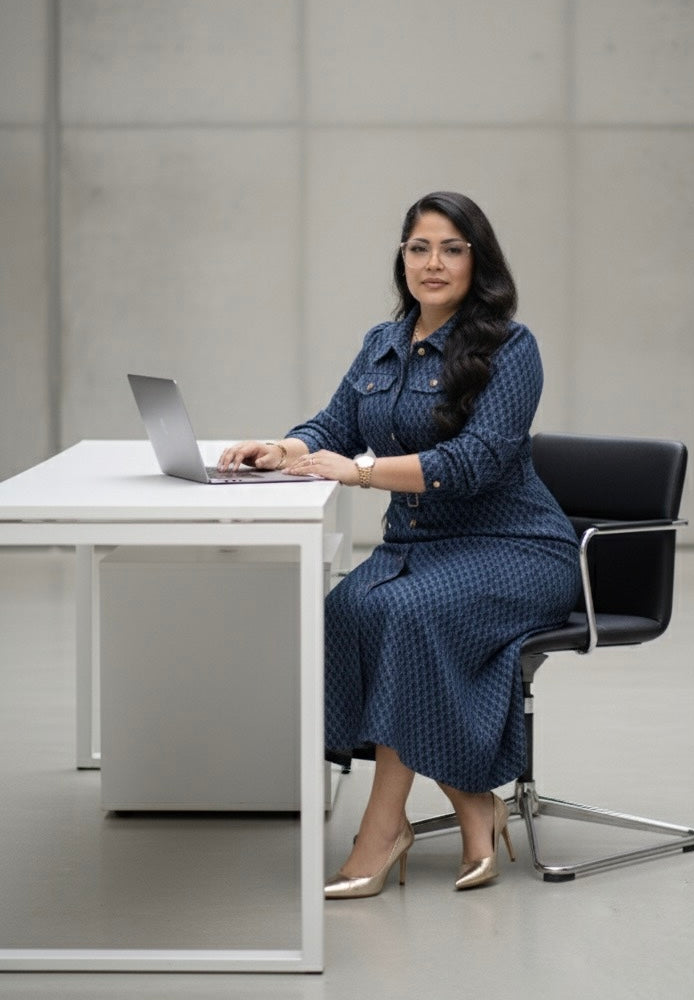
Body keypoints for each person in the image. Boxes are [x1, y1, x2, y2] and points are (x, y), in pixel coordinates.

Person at [218, 190, 580, 898]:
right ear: (403, 258)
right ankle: (471, 795)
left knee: (406, 616)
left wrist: (359, 473)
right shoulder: (381, 344)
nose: (433, 263)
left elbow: (472, 462)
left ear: (480, 260)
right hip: (421, 547)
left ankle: (381, 830)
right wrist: (284, 447)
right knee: (349, 611)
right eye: (419, 248)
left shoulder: (511, 347)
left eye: (451, 248)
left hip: (515, 548)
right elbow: (333, 424)